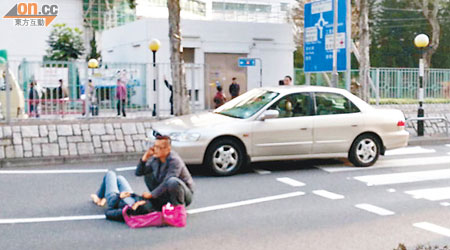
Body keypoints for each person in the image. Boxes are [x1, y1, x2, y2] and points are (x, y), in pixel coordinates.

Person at [135, 135, 194, 211]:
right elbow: (139, 173)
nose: (155, 149)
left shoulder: (175, 161)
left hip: (184, 194)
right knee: (147, 174)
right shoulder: (155, 159)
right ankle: (160, 202)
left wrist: (151, 195)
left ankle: (178, 209)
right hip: (165, 192)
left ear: (168, 149)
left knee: (172, 181)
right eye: (155, 146)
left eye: (159, 147)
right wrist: (145, 158)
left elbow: (168, 181)